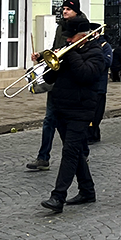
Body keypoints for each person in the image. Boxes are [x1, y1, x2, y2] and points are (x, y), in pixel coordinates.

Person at [39, 18, 103, 213]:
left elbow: (85, 75)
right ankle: (87, 190)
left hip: (81, 110)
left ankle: (58, 196)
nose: (67, 40)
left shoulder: (96, 53)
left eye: (71, 37)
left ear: (83, 37)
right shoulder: (68, 53)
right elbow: (49, 78)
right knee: (74, 152)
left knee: (69, 152)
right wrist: (53, 63)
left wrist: (71, 54)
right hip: (62, 108)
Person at [28, 0, 88, 170]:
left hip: (71, 81)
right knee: (49, 120)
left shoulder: (82, 26)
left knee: (72, 123)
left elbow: (75, 49)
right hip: (56, 78)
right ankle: (43, 158)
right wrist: (41, 56)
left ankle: (82, 153)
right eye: (63, 9)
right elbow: (56, 48)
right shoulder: (60, 26)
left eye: (68, 9)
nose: (65, 11)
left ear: (76, 11)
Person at [88, 24, 112, 143]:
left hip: (100, 85)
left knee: (97, 111)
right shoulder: (88, 44)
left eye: (93, 32)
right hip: (89, 84)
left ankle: (94, 133)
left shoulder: (105, 46)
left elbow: (108, 61)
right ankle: (91, 134)